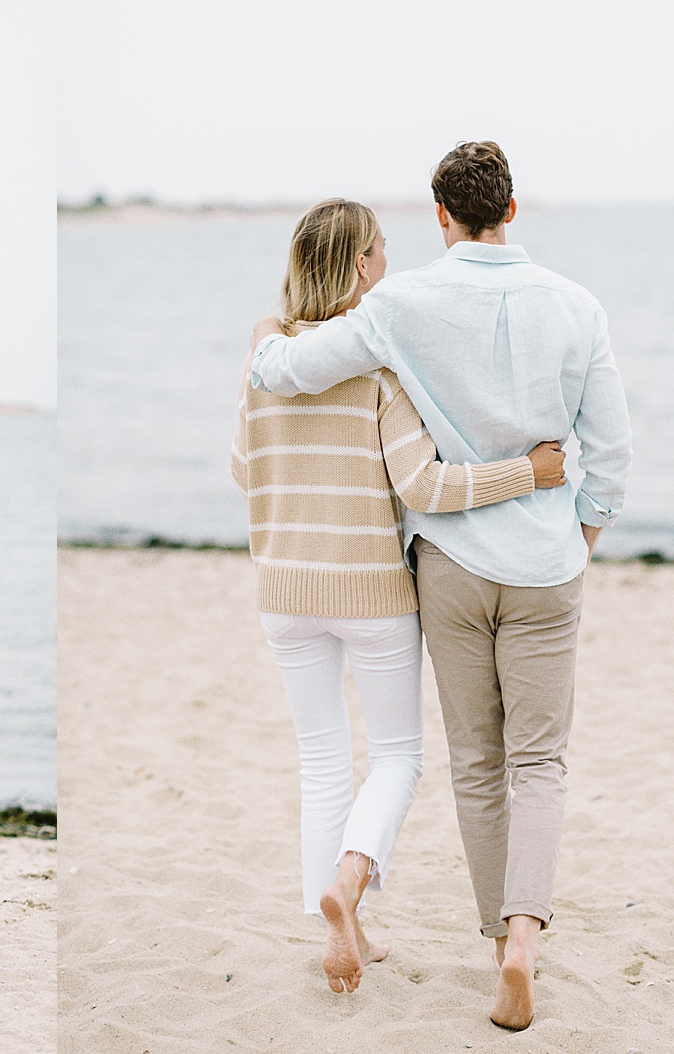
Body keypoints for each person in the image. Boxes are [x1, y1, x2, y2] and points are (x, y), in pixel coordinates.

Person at [251, 143, 632, 1030]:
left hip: (451, 565)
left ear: (440, 217)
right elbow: (609, 451)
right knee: (538, 759)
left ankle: (497, 945)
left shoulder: (402, 302)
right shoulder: (577, 306)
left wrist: (264, 347)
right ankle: (525, 938)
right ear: (512, 207)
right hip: (545, 562)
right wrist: (581, 531)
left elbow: (291, 371)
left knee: (473, 762)